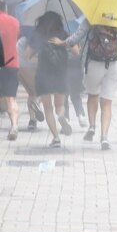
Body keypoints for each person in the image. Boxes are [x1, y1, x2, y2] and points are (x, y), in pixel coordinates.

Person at [60, 19, 117, 150]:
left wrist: (64, 42)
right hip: (115, 63)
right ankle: (104, 137)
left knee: (93, 94)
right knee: (107, 102)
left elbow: (76, 37)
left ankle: (92, 126)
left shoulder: (91, 16)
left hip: (95, 63)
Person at [25, 12, 70, 148]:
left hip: (44, 73)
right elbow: (76, 51)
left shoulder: (38, 34)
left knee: (48, 108)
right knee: (59, 105)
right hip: (61, 73)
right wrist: (63, 42)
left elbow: (27, 55)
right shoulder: (63, 33)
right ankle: (61, 116)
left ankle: (56, 138)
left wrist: (36, 52)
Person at [0, 0, 21, 141]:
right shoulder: (14, 22)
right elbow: (17, 37)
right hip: (12, 63)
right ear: (5, 7)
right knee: (11, 98)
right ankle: (14, 125)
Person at [16, 31, 44, 131]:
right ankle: (35, 105)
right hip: (25, 65)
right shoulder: (34, 37)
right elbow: (28, 56)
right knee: (39, 92)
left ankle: (32, 121)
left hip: (19, 65)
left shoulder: (27, 34)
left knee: (32, 93)